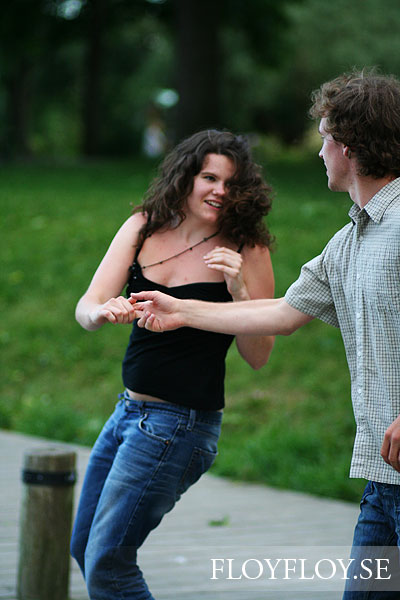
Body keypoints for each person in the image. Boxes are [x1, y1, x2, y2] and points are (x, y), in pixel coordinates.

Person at [131, 70, 400, 599]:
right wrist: (182, 310)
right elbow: (281, 312)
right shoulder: (351, 240)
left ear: (348, 146)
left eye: (324, 138)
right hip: (384, 482)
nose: (320, 151)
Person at [70, 129, 275, 600]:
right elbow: (88, 305)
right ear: (186, 177)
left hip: (180, 427)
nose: (220, 190)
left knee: (108, 564)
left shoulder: (247, 248)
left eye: (231, 182)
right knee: (85, 549)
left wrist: (240, 291)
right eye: (209, 177)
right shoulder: (144, 226)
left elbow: (259, 355)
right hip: (127, 414)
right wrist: (101, 312)